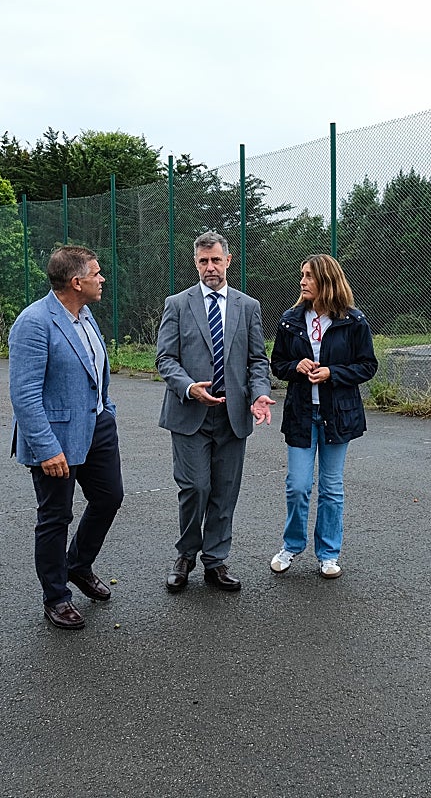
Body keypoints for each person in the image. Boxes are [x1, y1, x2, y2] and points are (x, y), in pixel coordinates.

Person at [8, 245, 124, 630]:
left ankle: (78, 564)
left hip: (97, 427)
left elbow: (95, 371)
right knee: (55, 517)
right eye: (96, 273)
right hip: (55, 439)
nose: (102, 278)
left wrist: (106, 408)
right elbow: (24, 393)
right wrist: (45, 448)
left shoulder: (85, 315)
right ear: (77, 282)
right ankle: (56, 596)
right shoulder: (34, 322)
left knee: (109, 497)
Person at [156, 231, 275, 593]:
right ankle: (186, 555)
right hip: (190, 413)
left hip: (231, 415)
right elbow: (165, 358)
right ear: (196, 263)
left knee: (225, 490)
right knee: (195, 487)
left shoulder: (248, 306)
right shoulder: (177, 304)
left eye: (216, 260)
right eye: (203, 261)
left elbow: (257, 360)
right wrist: (189, 387)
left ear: (228, 260)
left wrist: (260, 394)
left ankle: (216, 560)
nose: (210, 267)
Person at [268, 254, 377, 579]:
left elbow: (367, 365)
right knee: (298, 486)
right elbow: (277, 363)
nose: (302, 282)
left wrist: (333, 372)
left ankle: (328, 554)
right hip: (302, 414)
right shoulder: (290, 320)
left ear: (327, 281)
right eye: (301, 275)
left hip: (337, 415)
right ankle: (291, 546)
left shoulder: (353, 321)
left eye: (309, 276)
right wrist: (296, 367)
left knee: (331, 488)